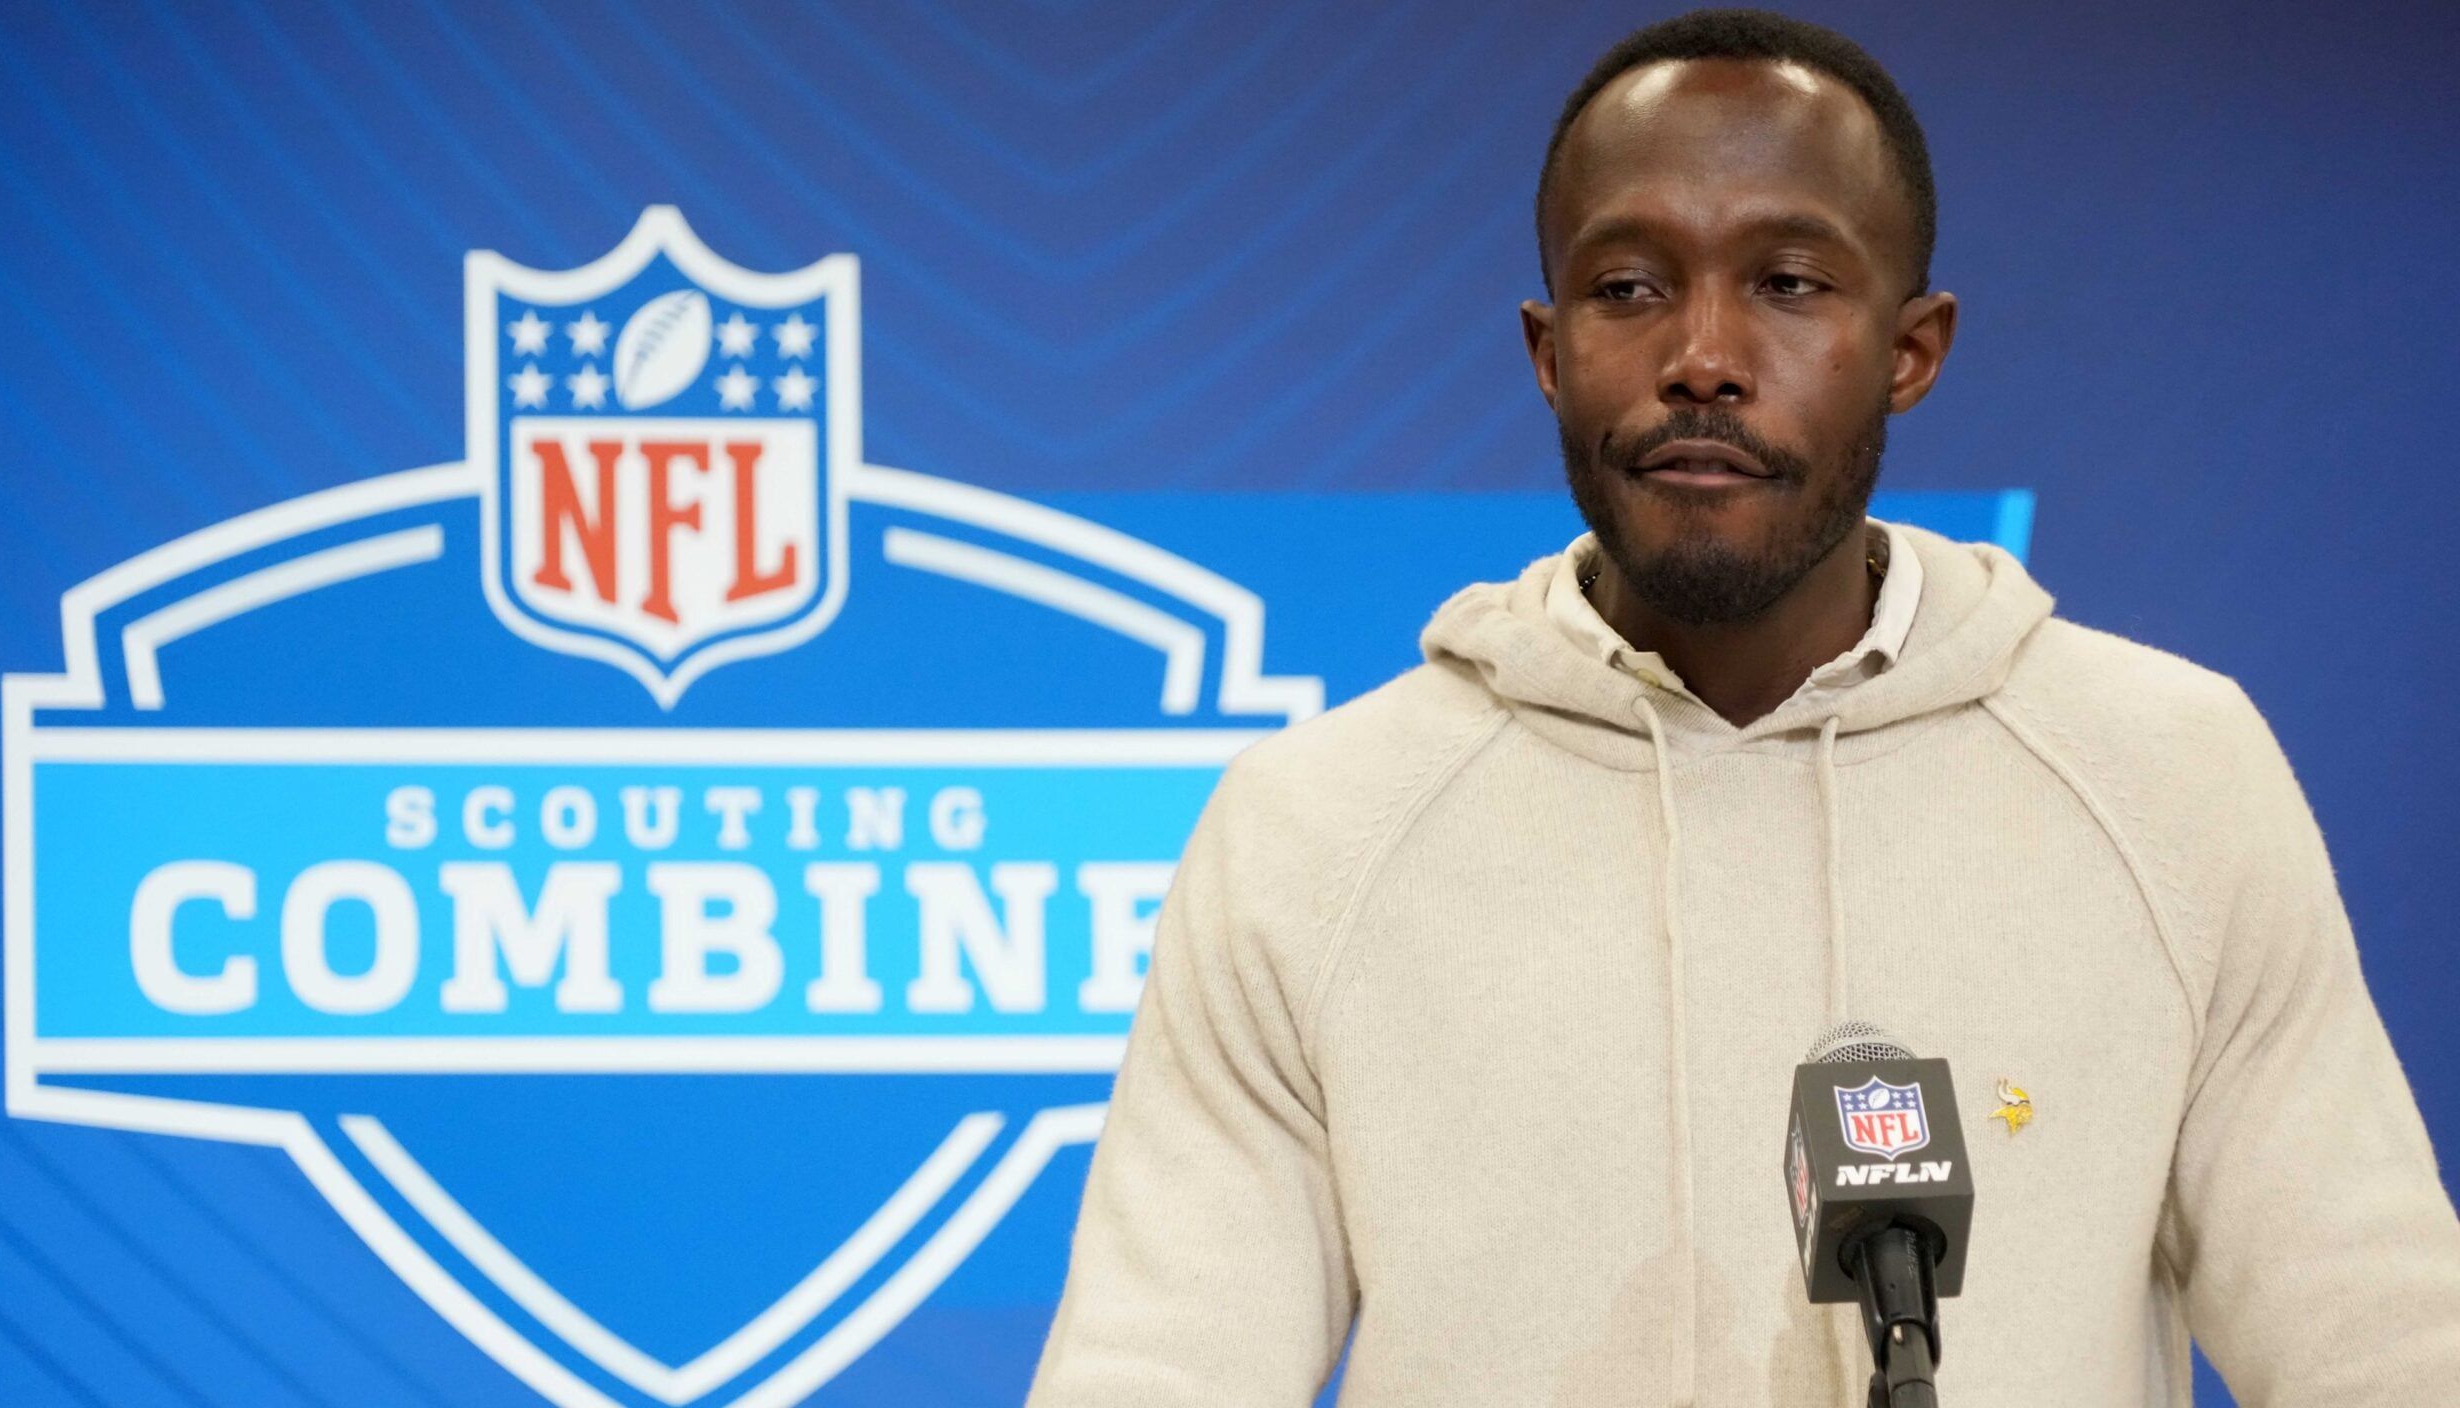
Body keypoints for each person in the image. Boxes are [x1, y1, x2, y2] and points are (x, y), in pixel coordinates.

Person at [1026, 9, 2460, 1405]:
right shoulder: (1314, 833)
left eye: (1788, 283)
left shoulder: (2171, 779)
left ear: (1914, 347)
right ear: (1545, 351)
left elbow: (2380, 1348)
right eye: (1629, 287)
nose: (1701, 356)